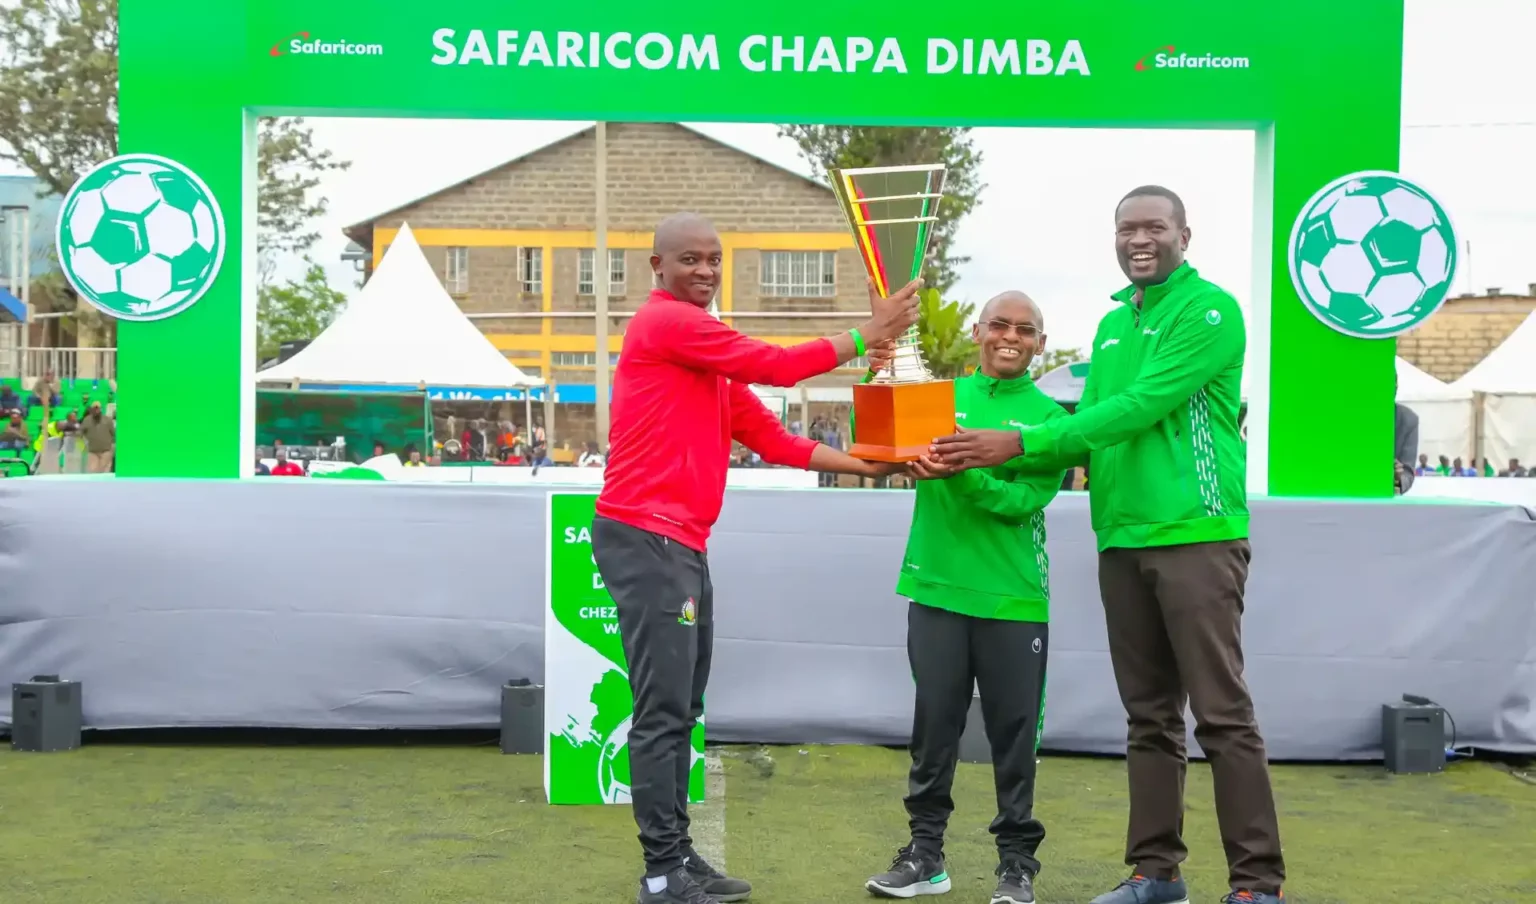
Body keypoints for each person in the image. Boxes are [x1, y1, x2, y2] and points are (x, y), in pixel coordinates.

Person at [929, 186, 1285, 904]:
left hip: (1194, 533)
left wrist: (1018, 439)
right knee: (1149, 716)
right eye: (1127, 229)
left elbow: (1136, 409)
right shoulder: (1113, 325)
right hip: (1119, 537)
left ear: (1185, 234)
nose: (1138, 239)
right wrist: (972, 452)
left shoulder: (1210, 311)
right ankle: (1156, 874)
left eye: (1154, 227)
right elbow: (1090, 422)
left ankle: (1257, 884)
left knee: (1220, 715)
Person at [593, 212, 918, 904]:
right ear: (658, 268)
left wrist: (873, 466)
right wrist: (870, 333)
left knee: (681, 706)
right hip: (648, 536)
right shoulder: (666, 325)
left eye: (713, 259)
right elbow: (775, 364)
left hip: (677, 540)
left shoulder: (705, 359)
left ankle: (677, 859)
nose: (704, 271)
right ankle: (662, 871)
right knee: (662, 710)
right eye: (689, 260)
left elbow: (777, 441)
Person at [862, 291, 1067, 904]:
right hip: (936, 588)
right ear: (978, 331)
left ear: (1039, 342)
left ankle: (1015, 867)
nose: (1011, 336)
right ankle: (926, 857)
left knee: (1013, 735)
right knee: (935, 728)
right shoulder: (939, 398)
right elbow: (872, 440)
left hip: (1013, 600)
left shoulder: (1052, 421)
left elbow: (1019, 503)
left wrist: (963, 469)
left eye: (1025, 329)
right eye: (1000, 325)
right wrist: (876, 375)